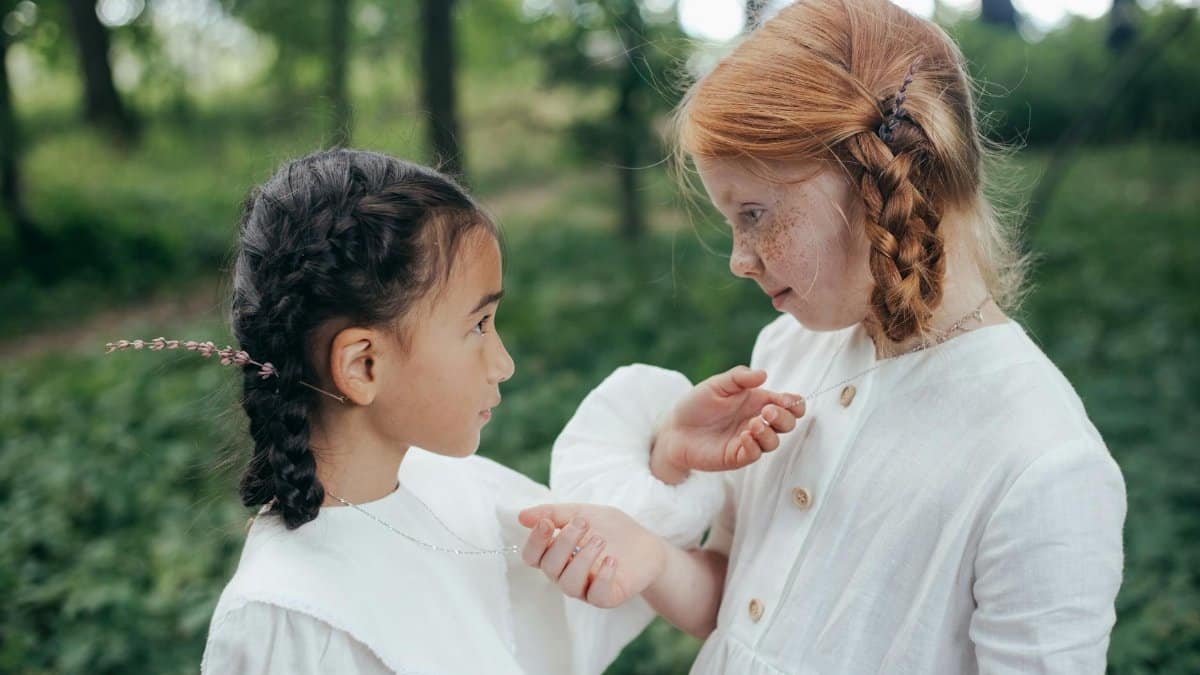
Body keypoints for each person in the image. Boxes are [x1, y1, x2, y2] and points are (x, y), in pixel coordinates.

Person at [518, 1, 1127, 672]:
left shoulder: (1042, 461)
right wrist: (653, 556)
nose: (740, 260)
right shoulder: (788, 351)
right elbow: (740, 605)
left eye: (755, 214)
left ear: (877, 179)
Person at [107, 149, 781, 674]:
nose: (504, 361)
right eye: (479, 325)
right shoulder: (287, 615)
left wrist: (664, 459)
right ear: (363, 365)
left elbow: (574, 608)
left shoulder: (455, 492)